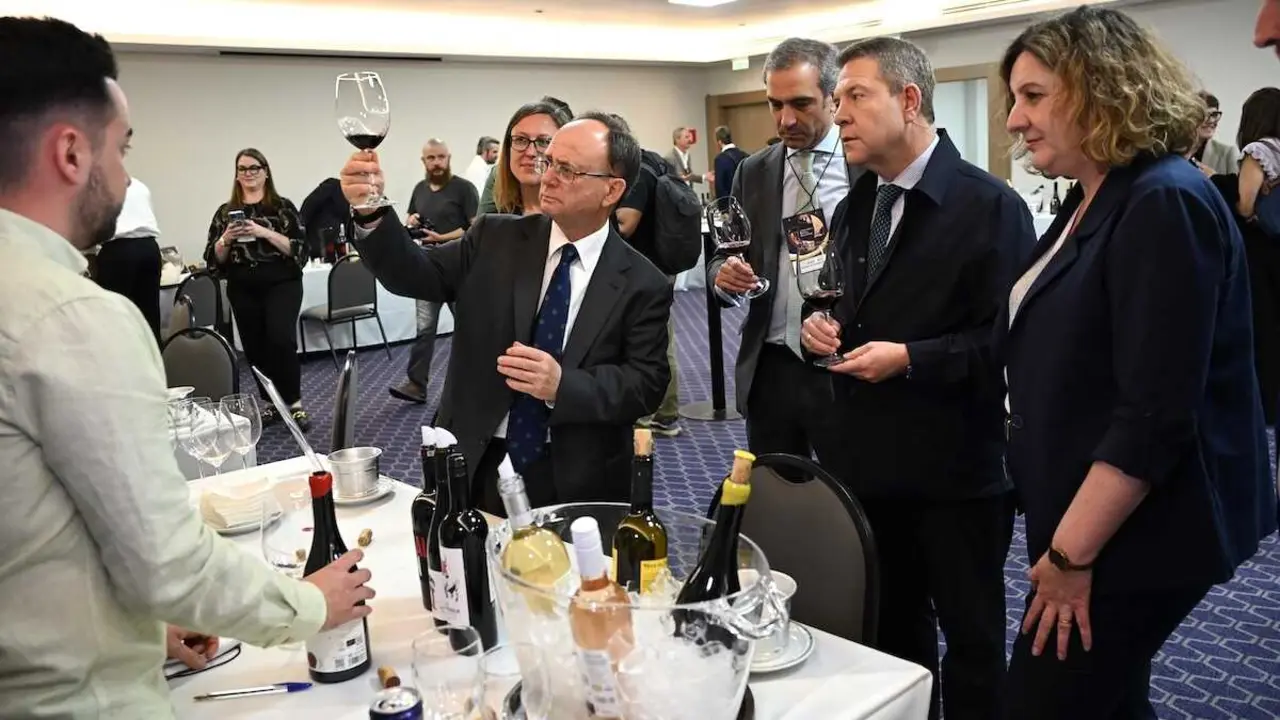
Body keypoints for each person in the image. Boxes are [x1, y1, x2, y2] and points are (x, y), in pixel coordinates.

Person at [0, 17, 373, 718]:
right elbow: (167, 562)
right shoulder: (69, 318)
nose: (126, 174)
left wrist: (137, 628)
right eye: (122, 148)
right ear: (72, 153)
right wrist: (309, 604)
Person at [996, 8, 1276, 717]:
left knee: (1043, 703)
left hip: (1137, 528)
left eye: (1033, 96)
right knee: (1108, 700)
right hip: (1090, 507)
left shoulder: (1163, 200)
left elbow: (1153, 413)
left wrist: (1069, 557)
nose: (1014, 120)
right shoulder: (1099, 190)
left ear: (1103, 89)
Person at [800, 36, 1032, 720]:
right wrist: (820, 329)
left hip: (956, 472)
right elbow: (845, 303)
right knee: (893, 635)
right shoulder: (857, 203)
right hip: (866, 463)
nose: (838, 114)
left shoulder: (990, 207)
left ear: (908, 100)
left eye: (855, 96)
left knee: (973, 643)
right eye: (836, 99)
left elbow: (1010, 343)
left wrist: (911, 357)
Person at [342, 113, 672, 515]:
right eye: (550, 162)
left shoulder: (642, 281)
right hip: (475, 459)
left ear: (612, 190)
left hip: (574, 474)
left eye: (567, 170)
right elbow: (414, 273)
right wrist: (370, 212)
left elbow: (646, 383)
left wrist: (563, 385)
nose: (548, 177)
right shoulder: (494, 238)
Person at [709, 37, 861, 469]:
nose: (785, 119)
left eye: (801, 104)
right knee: (774, 490)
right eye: (775, 105)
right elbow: (725, 255)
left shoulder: (866, 166)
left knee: (848, 490)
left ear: (833, 98)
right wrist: (724, 276)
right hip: (771, 362)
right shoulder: (754, 169)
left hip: (843, 359)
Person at [203, 148, 312, 430]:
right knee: (254, 347)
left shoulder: (282, 208)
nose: (248, 173)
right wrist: (226, 238)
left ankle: (294, 404)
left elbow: (299, 249)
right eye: (242, 169)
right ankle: (272, 402)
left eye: (254, 168)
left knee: (280, 339)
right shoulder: (225, 213)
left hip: (281, 282)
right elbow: (214, 259)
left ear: (266, 172)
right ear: (236, 175)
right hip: (242, 286)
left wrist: (263, 232)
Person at [390, 138, 479, 404]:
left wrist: (442, 238)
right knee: (424, 330)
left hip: (460, 267)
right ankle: (416, 385)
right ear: (424, 161)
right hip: (428, 267)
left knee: (469, 328)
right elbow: (411, 218)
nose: (437, 162)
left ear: (449, 158)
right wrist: (412, 220)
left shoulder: (464, 189)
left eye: (441, 157)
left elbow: (475, 228)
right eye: (431, 158)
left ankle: (477, 383)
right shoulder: (419, 189)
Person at [478, 96, 573, 215]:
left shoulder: (579, 216)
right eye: (520, 140)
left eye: (544, 142)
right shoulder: (493, 213)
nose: (530, 152)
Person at [98, 175, 163, 341]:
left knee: (116, 318)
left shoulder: (101, 185)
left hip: (118, 251)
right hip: (149, 248)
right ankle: (154, 354)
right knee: (150, 317)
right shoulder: (141, 186)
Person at [298, 176, 351, 261]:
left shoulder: (355, 201)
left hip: (338, 245)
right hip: (319, 240)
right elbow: (310, 204)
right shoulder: (334, 186)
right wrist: (300, 230)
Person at [1189, 92, 1242, 176]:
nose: (1211, 120)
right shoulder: (1175, 151)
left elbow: (1237, 184)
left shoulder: (1228, 153)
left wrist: (1215, 177)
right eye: (1204, 115)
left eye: (1214, 115)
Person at [712, 126, 748, 200]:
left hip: (731, 203)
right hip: (746, 202)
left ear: (719, 142)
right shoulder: (745, 155)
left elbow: (720, 189)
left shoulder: (720, 159)